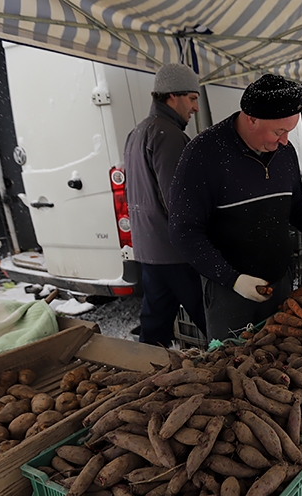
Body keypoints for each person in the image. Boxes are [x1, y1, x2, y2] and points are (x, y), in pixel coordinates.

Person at [168, 74, 302, 341]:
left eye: (288, 132)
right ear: (251, 119)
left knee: (281, 359)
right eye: (279, 132)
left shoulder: (285, 153)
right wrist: (233, 279)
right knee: (232, 366)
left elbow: (297, 206)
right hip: (230, 293)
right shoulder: (203, 154)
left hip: (280, 284)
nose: (284, 141)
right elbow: (183, 231)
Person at [123, 63, 207, 349]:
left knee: (154, 328)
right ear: (173, 96)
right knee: (213, 317)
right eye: (193, 99)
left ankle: (145, 376)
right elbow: (178, 201)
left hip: (148, 250)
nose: (195, 108)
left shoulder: (137, 132)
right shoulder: (168, 135)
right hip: (175, 252)